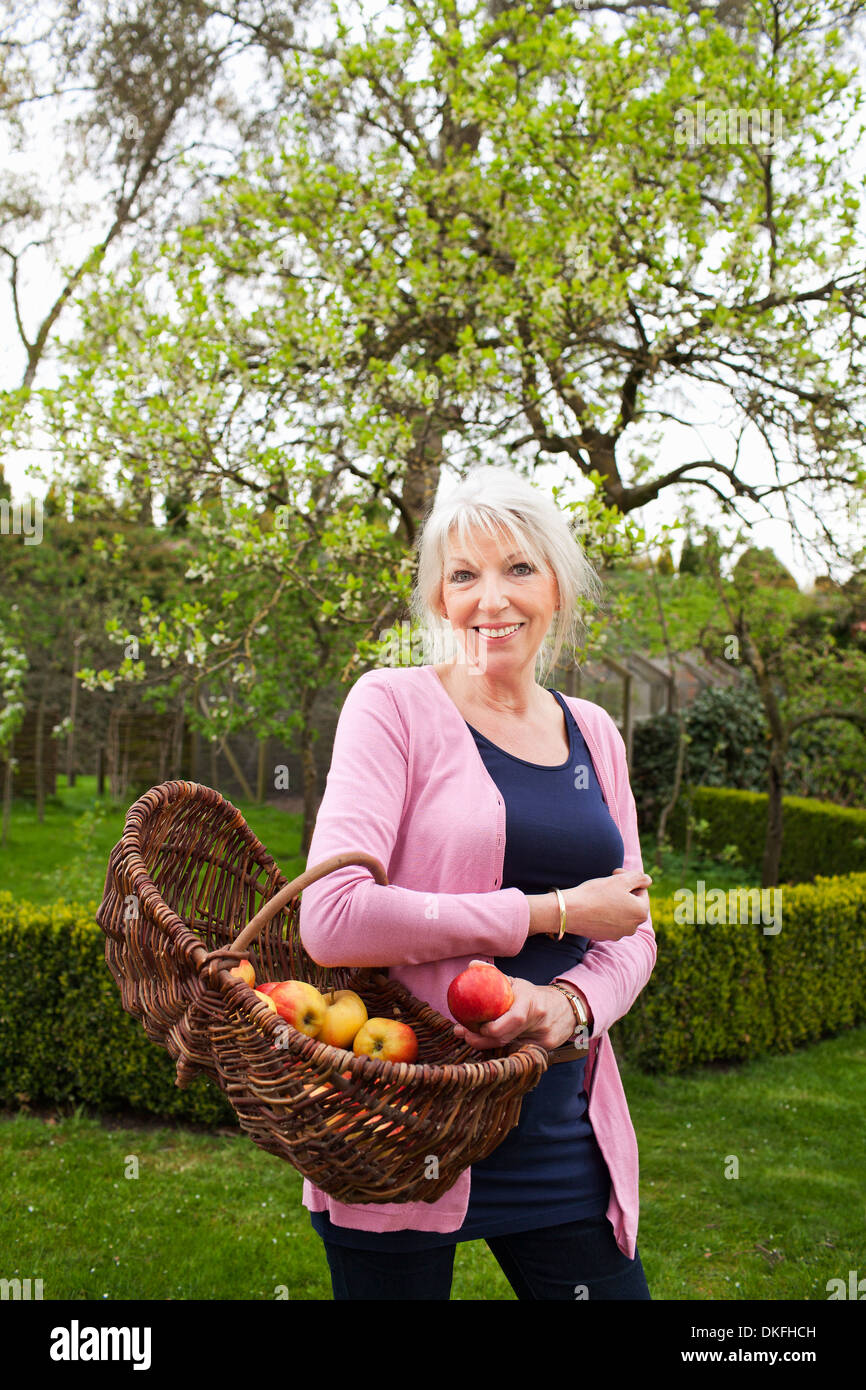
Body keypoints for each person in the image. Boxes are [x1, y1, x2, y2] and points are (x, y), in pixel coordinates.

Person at [298, 465, 656, 1300]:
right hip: (399, 1124)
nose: (491, 599)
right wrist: (548, 913)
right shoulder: (392, 706)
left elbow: (631, 928)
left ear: (558, 587)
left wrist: (563, 1009)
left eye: (519, 569)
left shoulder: (594, 734)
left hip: (561, 1134)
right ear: (437, 601)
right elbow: (333, 917)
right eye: (464, 575)